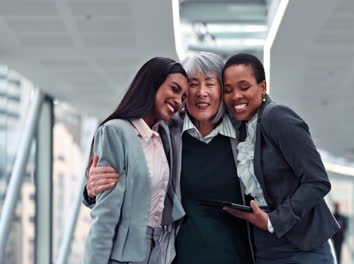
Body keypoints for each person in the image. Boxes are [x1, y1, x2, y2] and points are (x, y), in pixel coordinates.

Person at [84, 52, 254, 264]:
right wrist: (91, 191)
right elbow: (134, 179)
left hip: (235, 255)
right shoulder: (165, 132)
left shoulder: (245, 135)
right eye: (193, 84)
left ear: (223, 90)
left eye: (210, 84)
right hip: (177, 256)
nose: (201, 92)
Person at [221, 53, 339, 263]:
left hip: (300, 245)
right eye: (228, 90)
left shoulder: (278, 117)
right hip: (263, 247)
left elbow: (318, 181)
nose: (236, 96)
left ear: (263, 87)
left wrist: (273, 221)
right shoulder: (241, 129)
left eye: (244, 87)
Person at [83, 57, 189, 264]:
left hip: (159, 255)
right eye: (174, 90)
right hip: (124, 258)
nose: (178, 101)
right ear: (152, 84)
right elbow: (105, 215)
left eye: (183, 97)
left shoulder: (164, 135)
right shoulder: (116, 132)